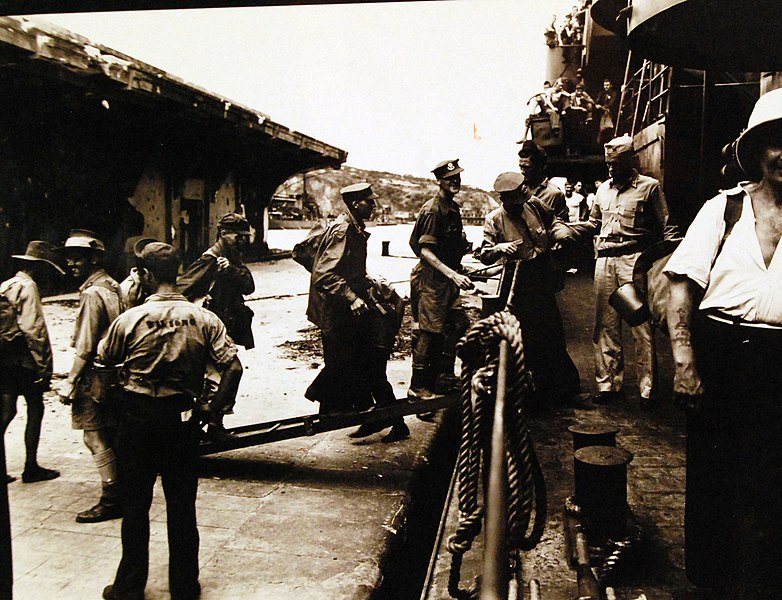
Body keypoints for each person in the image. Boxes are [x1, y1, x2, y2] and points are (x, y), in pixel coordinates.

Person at [664, 88, 782, 599]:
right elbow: (682, 286)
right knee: (716, 475)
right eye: (777, 142)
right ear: (757, 151)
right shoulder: (724, 209)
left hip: (778, 361)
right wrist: (684, 360)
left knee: (772, 478)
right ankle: (715, 582)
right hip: (722, 355)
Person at [97, 242, 242, 600]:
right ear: (177, 272)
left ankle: (128, 587)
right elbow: (233, 368)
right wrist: (213, 409)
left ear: (145, 275)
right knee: (181, 509)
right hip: (181, 421)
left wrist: (116, 410)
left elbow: (102, 371)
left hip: (138, 419)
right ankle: (184, 586)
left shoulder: (127, 320)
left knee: (134, 508)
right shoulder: (204, 319)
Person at [305, 183, 409, 442]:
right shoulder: (344, 230)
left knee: (366, 365)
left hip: (347, 312)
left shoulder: (354, 228)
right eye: (369, 202)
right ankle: (371, 416)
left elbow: (345, 269)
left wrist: (367, 282)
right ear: (355, 204)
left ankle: (380, 419)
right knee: (360, 365)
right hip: (338, 313)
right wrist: (351, 297)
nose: (374, 206)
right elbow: (324, 274)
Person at [479, 172, 590, 405]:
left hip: (541, 275)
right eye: (514, 202)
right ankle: (530, 397)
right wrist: (500, 248)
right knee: (523, 339)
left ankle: (567, 391)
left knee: (553, 333)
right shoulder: (494, 220)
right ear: (504, 199)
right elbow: (485, 256)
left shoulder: (533, 204)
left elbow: (553, 220)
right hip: (516, 282)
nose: (520, 205)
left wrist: (559, 234)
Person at [586, 136, 679, 406]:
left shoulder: (650, 188)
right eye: (608, 164)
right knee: (605, 324)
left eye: (616, 164)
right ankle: (608, 386)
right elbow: (594, 223)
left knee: (640, 324)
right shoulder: (602, 190)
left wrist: (668, 263)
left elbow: (668, 226)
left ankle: (647, 390)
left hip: (634, 261)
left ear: (631, 161)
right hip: (604, 261)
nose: (611, 170)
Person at [58, 229, 124, 523]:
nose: (72, 263)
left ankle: (111, 499)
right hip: (114, 373)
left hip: (94, 375)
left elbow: (85, 346)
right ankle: (121, 490)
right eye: (70, 258)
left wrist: (69, 382)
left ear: (94, 258)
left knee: (93, 435)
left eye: (79, 258)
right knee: (110, 434)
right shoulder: (113, 286)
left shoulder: (92, 293)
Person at [178, 212, 255, 435]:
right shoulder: (210, 260)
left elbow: (249, 286)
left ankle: (209, 422)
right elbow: (181, 289)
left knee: (221, 378)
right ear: (222, 234)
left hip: (223, 330)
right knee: (229, 373)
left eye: (244, 237)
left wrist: (231, 270)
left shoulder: (232, 258)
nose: (242, 241)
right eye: (237, 237)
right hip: (208, 331)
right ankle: (209, 422)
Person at [408, 159, 474, 404]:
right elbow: (424, 251)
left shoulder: (452, 208)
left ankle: (442, 376)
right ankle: (417, 388)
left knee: (457, 323)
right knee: (429, 332)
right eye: (449, 179)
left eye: (457, 177)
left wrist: (460, 265)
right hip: (431, 279)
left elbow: (448, 246)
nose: (455, 181)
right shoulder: (433, 210)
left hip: (446, 278)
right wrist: (452, 274)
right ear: (439, 181)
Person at [0, 241, 64, 484]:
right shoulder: (29, 287)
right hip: (23, 361)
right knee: (36, 408)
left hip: (4, 358)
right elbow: (33, 330)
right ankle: (30, 467)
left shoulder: (7, 284)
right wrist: (43, 366)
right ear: (38, 267)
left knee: (6, 411)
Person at [517, 140, 569, 221]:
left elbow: (563, 227)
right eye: (521, 167)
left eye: (527, 167)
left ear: (541, 167)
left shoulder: (554, 194)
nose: (523, 172)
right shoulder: (518, 191)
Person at [595, 79, 619, 145]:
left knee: (611, 129)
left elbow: (612, 104)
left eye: (607, 85)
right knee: (601, 130)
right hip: (602, 113)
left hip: (611, 113)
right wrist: (598, 106)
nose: (606, 87)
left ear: (611, 85)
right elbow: (597, 102)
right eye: (604, 85)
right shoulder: (601, 93)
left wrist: (604, 107)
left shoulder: (614, 93)